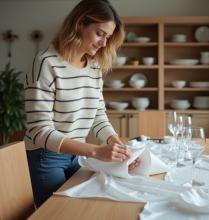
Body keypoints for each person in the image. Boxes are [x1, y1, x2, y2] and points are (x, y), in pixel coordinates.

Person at [24, 0, 141, 208]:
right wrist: (95, 151)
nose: (104, 43)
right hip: (47, 158)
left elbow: (97, 114)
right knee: (63, 213)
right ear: (80, 23)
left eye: (108, 37)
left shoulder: (94, 65)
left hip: (77, 156)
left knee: (88, 208)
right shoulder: (46, 63)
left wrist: (117, 145)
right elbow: (38, 131)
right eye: (100, 33)